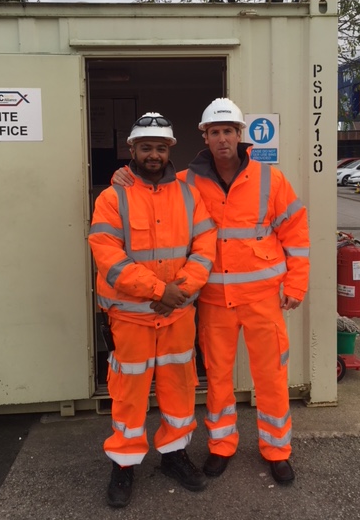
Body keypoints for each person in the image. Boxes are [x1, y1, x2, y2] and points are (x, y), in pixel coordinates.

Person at [112, 99, 310, 486]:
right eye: (215, 132)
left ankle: (277, 450)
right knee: (217, 378)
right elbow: (149, 187)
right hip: (214, 301)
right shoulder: (186, 180)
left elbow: (296, 234)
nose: (222, 139)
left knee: (271, 376)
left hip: (263, 299)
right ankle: (221, 446)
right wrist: (123, 175)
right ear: (205, 136)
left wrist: (296, 283)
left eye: (229, 131)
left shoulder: (271, 179)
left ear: (240, 135)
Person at [89, 112, 217, 508]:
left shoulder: (187, 194)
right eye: (146, 147)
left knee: (179, 387)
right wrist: (160, 290)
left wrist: (181, 290)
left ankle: (174, 454)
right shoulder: (113, 197)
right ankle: (123, 464)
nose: (154, 154)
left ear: (169, 151)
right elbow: (107, 256)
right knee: (129, 393)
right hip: (131, 317)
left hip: (177, 314)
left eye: (160, 148)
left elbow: (205, 245)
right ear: (132, 149)